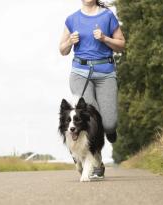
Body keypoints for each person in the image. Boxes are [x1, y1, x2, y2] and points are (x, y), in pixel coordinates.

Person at [59, 0, 125, 177]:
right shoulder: (72, 19)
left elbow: (121, 44)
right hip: (80, 73)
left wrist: (105, 38)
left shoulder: (108, 16)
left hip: (105, 73)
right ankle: (96, 163)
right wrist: (69, 42)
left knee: (109, 123)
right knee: (91, 118)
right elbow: (62, 50)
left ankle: (109, 131)